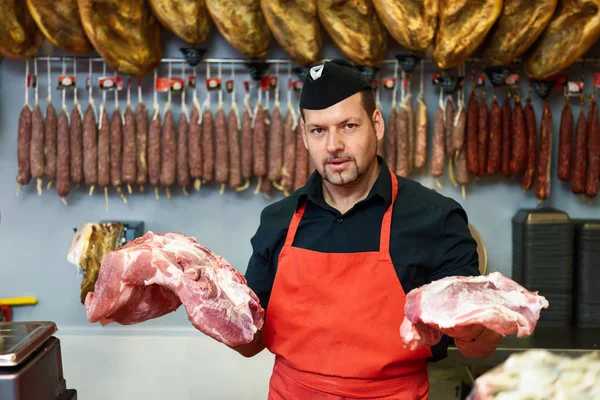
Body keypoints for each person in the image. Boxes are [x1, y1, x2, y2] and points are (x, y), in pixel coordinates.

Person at [234, 59, 502, 399]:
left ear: (376, 124)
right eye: (318, 130)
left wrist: (474, 323)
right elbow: (249, 343)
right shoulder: (278, 221)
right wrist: (200, 301)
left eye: (347, 126)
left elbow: (479, 349)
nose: (333, 145)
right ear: (304, 136)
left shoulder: (437, 219)